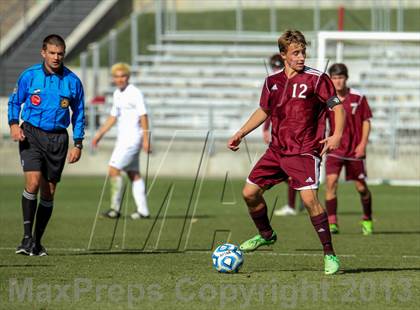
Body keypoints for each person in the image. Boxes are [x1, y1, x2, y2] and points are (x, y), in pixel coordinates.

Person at [227, 30, 345, 275]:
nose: (301, 57)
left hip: (304, 151)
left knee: (309, 200)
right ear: (283, 55)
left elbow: (337, 108)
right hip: (277, 150)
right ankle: (267, 235)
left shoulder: (317, 79)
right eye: (296, 53)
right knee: (249, 193)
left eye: (303, 52)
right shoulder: (272, 82)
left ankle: (329, 254)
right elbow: (264, 111)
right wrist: (241, 132)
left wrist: (336, 135)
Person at [8, 34, 85, 256]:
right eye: (52, 53)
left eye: (60, 53)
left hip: (58, 139)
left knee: (48, 192)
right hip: (31, 134)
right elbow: (15, 101)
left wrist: (78, 143)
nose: (56, 57)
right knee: (32, 183)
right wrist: (14, 124)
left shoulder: (72, 81)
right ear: (43, 53)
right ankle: (26, 237)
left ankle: (37, 242)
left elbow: (79, 114)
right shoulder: (29, 76)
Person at [92, 63, 150, 220]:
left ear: (128, 77)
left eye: (122, 76)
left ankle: (115, 209)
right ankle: (143, 210)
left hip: (133, 140)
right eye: (116, 76)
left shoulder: (135, 93)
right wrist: (99, 134)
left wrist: (146, 139)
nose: (120, 79)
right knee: (133, 174)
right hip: (123, 140)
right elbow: (113, 117)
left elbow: (143, 116)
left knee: (113, 169)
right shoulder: (117, 94)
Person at [325, 63, 373, 235]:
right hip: (335, 149)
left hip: (354, 150)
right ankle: (332, 222)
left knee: (361, 187)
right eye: (335, 78)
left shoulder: (358, 98)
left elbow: (366, 121)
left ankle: (367, 218)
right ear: (330, 79)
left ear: (346, 78)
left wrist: (362, 144)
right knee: (331, 183)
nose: (338, 81)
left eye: (341, 78)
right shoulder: (329, 99)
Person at [262, 53, 299, 217]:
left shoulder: (293, 81)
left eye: (278, 66)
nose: (276, 69)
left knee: (289, 172)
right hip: (279, 134)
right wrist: (266, 128)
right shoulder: (273, 82)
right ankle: (301, 191)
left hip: (293, 134)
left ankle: (293, 204)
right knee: (287, 173)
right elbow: (270, 109)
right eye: (274, 66)